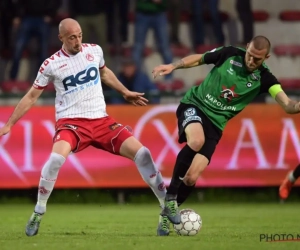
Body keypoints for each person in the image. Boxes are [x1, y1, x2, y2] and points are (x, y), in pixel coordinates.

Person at [0, 18, 167, 237]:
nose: (78, 41)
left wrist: (124, 91)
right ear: (61, 38)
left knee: (143, 154)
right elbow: (31, 96)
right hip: (71, 124)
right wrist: (10, 124)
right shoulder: (51, 64)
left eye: (79, 35)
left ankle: (166, 209)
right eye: (72, 37)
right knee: (55, 160)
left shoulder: (94, 51)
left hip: (101, 120)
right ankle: (38, 211)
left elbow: (105, 73)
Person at [152, 36, 300, 236]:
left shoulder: (265, 79)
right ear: (246, 47)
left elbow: (288, 105)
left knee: (192, 177)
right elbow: (199, 59)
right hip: (195, 104)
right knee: (196, 141)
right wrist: (173, 66)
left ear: (267, 57)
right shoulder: (229, 53)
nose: (251, 61)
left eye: (257, 59)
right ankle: (170, 198)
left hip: (216, 124)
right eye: (250, 55)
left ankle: (164, 216)